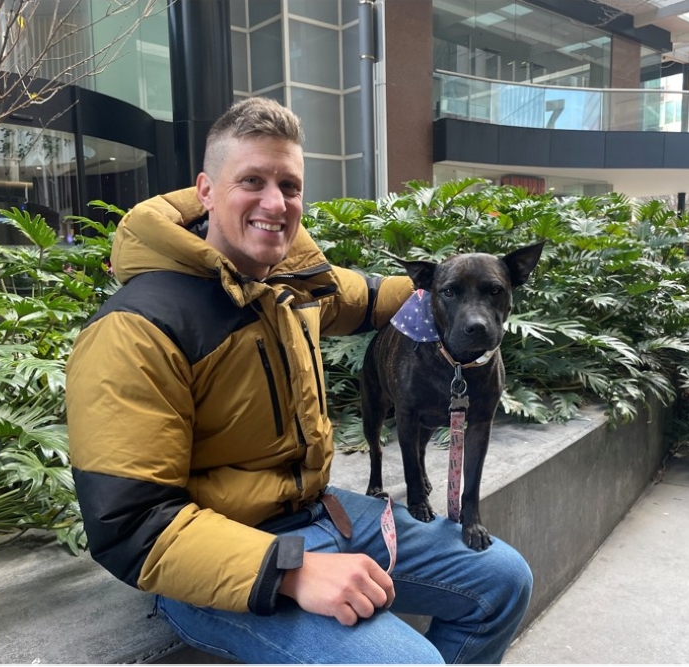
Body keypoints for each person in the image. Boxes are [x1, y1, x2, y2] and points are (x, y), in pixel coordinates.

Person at [66, 96, 533, 664]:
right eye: (252, 181)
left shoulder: (292, 285)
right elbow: (129, 524)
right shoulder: (135, 329)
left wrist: (458, 294)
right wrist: (291, 571)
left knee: (505, 580)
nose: (275, 202)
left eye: (289, 186)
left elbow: (371, 298)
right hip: (225, 558)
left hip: (321, 511)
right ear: (205, 192)